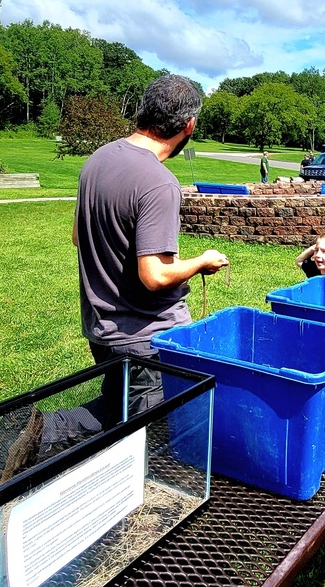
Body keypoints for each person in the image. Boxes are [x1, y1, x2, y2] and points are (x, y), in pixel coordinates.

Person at [74, 74, 229, 419]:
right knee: (144, 433)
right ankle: (41, 432)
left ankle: (38, 432)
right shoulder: (159, 182)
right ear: (189, 125)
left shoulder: (97, 160)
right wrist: (202, 261)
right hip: (145, 339)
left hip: (102, 330)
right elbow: (155, 276)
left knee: (115, 414)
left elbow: (76, 237)